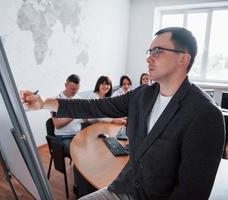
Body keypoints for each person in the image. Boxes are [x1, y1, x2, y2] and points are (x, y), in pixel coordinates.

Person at [21, 27, 225, 200]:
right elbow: (94, 107)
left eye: (158, 51)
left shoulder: (205, 115)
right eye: (149, 51)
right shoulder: (142, 95)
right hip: (123, 189)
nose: (148, 58)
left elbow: (191, 193)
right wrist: (44, 103)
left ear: (183, 58)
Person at [52, 74, 82, 156]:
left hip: (78, 134)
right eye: (72, 89)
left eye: (77, 89)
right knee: (78, 154)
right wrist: (73, 116)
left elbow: (83, 119)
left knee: (92, 147)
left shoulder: (79, 99)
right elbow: (57, 125)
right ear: (65, 85)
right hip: (64, 136)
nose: (75, 92)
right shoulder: (55, 101)